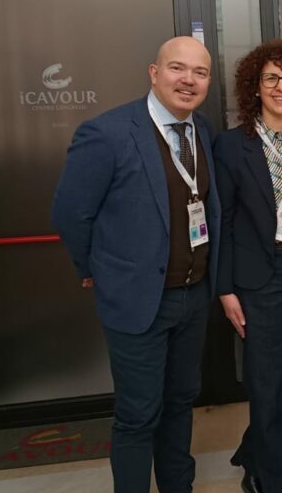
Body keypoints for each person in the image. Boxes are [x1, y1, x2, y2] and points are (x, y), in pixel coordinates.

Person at [52, 36, 219, 493]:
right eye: (177, 68)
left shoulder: (202, 131)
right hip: (137, 302)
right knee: (138, 414)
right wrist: (94, 269)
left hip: (193, 296)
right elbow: (70, 213)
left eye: (200, 72)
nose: (188, 80)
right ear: (154, 72)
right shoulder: (107, 133)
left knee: (180, 403)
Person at [213, 39, 282, 493]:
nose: (281, 87)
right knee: (267, 379)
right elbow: (222, 220)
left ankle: (256, 452)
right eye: (271, 78)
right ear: (255, 87)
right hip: (259, 275)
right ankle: (274, 478)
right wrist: (225, 289)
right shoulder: (231, 145)